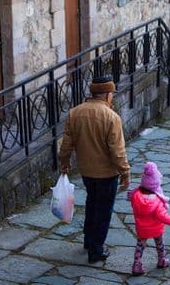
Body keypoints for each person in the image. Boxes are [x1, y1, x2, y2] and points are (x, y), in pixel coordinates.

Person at [59, 76, 130, 264]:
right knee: (103, 210)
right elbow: (117, 151)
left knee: (92, 204)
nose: (112, 98)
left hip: (86, 171)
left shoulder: (75, 113)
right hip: (106, 173)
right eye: (111, 94)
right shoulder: (111, 117)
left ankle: (88, 241)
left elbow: (66, 144)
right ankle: (96, 250)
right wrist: (125, 172)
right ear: (107, 95)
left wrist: (64, 162)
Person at [128, 162, 170, 276]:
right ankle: (162, 260)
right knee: (160, 244)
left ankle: (136, 265)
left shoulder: (135, 195)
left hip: (142, 228)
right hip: (156, 228)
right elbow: (162, 216)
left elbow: (131, 199)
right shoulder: (157, 200)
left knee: (140, 246)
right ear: (156, 184)